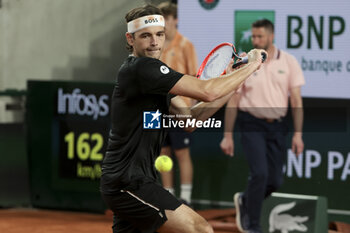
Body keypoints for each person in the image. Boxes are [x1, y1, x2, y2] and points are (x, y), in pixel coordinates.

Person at [100, 4, 265, 233]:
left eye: (159, 34)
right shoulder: (142, 69)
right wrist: (252, 65)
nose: (154, 42)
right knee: (201, 229)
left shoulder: (154, 76)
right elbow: (208, 91)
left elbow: (190, 121)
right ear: (130, 39)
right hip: (128, 183)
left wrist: (233, 80)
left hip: (132, 181)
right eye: (145, 36)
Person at [219, 19, 305, 233]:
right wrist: (227, 135)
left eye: (260, 37)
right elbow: (234, 100)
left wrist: (298, 135)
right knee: (260, 174)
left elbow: (296, 100)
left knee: (275, 181)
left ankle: (245, 200)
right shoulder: (247, 61)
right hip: (251, 123)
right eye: (253, 36)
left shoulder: (289, 62)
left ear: (271, 36)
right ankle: (253, 226)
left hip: (277, 126)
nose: (255, 40)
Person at [157, 2, 198, 205]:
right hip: (159, 109)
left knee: (182, 153)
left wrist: (188, 108)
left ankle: (186, 198)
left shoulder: (186, 45)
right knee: (163, 152)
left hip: (181, 109)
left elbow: (194, 77)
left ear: (176, 20)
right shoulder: (158, 44)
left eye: (167, 18)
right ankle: (168, 196)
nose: (164, 24)